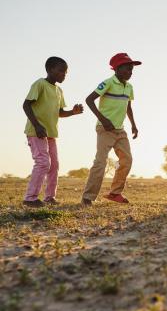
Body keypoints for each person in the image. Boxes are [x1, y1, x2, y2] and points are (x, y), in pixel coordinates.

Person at [22, 56, 83, 207]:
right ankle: (30, 198)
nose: (64, 74)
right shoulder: (40, 84)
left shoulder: (59, 90)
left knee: (54, 165)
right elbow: (26, 105)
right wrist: (37, 125)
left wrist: (73, 112)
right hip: (36, 132)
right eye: (61, 70)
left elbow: (60, 112)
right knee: (43, 162)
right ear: (50, 70)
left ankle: (49, 197)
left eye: (66, 72)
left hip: (50, 134)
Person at [81, 53, 141, 205]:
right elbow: (89, 100)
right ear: (117, 69)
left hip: (120, 131)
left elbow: (128, 106)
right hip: (105, 129)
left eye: (132, 70)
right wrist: (103, 119)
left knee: (127, 160)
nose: (130, 72)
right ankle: (88, 197)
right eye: (127, 69)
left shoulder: (129, 87)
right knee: (100, 161)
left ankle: (115, 193)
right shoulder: (108, 83)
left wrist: (133, 124)